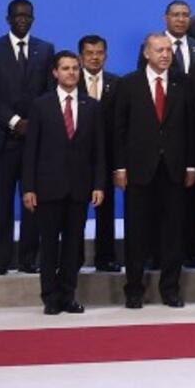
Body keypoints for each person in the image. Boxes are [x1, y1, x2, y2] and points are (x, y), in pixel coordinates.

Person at [114, 33, 195, 309]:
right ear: (147, 53)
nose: (165, 54)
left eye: (168, 50)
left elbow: (190, 126)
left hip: (173, 169)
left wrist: (191, 164)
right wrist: (120, 166)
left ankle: (170, 289)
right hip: (139, 170)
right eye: (159, 50)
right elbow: (119, 130)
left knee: (173, 232)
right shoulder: (128, 84)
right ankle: (134, 289)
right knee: (136, 232)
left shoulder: (182, 82)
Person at [21, 51, 104, 314]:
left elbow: (99, 151)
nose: (71, 73)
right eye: (65, 68)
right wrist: (28, 187)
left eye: (75, 68)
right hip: (48, 188)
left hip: (79, 188)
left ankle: (68, 295)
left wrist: (99, 184)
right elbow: (31, 150)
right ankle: (50, 297)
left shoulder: (92, 106)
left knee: (72, 246)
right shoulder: (41, 105)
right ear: (55, 73)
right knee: (49, 246)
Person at [0, 0, 54, 275]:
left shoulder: (45, 50)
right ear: (8, 18)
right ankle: (2, 259)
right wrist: (14, 121)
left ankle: (28, 258)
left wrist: (32, 124)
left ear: (33, 19)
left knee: (32, 200)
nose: (23, 19)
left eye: (28, 16)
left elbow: (49, 92)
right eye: (18, 15)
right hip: (0, 139)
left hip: (34, 140)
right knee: (2, 200)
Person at [160, 0, 195, 269]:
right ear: (166, 18)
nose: (181, 19)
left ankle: (194, 249)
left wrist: (194, 117)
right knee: (165, 195)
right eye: (175, 15)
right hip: (164, 134)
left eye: (185, 15)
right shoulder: (155, 47)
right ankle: (160, 251)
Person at [77, 35, 122, 272]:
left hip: (107, 158)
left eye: (100, 53)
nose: (95, 57)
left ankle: (106, 257)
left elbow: (121, 125)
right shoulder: (71, 83)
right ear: (81, 57)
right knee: (75, 212)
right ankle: (74, 258)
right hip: (77, 160)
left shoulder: (116, 83)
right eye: (90, 53)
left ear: (106, 55)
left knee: (106, 210)